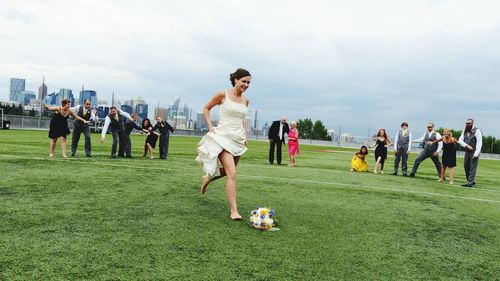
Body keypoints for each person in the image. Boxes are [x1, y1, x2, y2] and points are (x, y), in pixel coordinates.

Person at [196, 68, 251, 220]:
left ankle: (207, 178)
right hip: (222, 137)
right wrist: (210, 126)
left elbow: (240, 120)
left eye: (248, 82)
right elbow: (206, 108)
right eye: (243, 81)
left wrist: (244, 135)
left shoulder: (246, 100)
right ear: (235, 80)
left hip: (238, 139)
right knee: (232, 173)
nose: (246, 85)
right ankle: (234, 211)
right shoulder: (222, 94)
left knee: (227, 172)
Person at [458, 119, 482, 187]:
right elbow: (460, 141)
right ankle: (471, 180)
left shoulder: (477, 131)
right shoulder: (464, 131)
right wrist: (466, 145)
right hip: (467, 151)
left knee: (472, 167)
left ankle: (470, 183)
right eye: (466, 123)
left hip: (474, 151)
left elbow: (479, 143)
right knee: (466, 166)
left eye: (469, 123)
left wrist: (476, 154)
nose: (467, 124)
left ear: (472, 123)